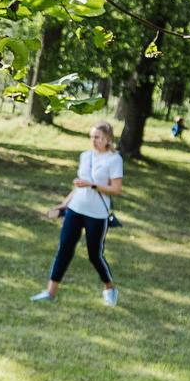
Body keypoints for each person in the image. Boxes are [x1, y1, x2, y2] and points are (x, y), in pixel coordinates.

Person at [32, 118, 123, 306]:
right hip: (75, 209)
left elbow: (116, 189)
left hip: (97, 214)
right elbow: (78, 187)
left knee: (94, 255)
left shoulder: (114, 159)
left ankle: (110, 288)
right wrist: (62, 205)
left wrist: (92, 184)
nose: (93, 141)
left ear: (108, 139)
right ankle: (50, 292)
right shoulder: (85, 156)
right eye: (91, 137)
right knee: (64, 249)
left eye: (97, 137)